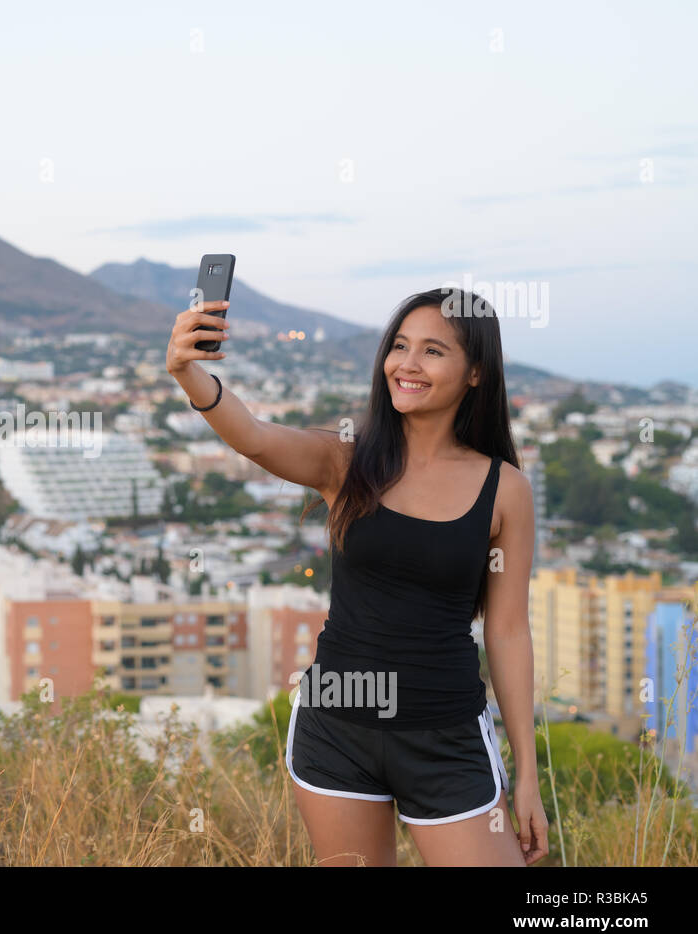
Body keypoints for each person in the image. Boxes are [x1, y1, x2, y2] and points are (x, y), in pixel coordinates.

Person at [166, 286, 549, 866]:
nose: (407, 364)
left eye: (433, 351)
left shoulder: (506, 490)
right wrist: (186, 371)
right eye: (399, 346)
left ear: (475, 372)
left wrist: (526, 775)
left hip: (446, 739)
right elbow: (254, 435)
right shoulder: (347, 460)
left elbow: (508, 632)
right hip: (335, 731)